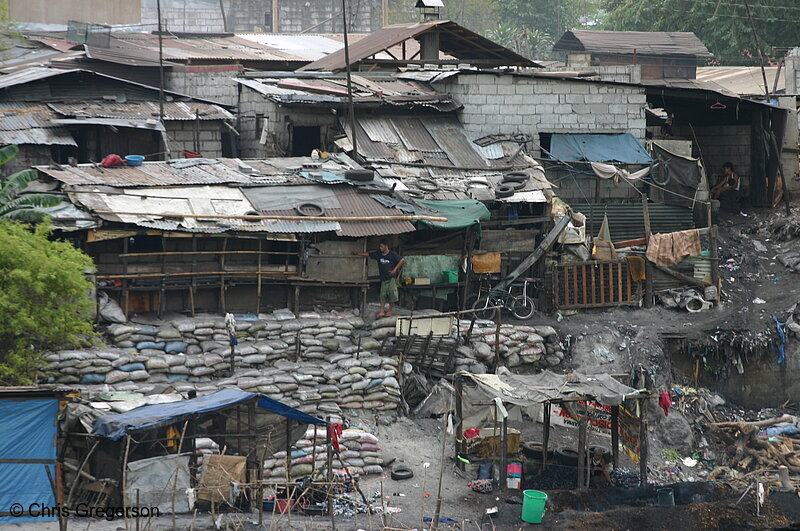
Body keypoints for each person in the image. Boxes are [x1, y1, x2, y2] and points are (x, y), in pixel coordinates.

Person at [354, 239, 404, 318]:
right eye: (380, 246)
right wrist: (357, 253)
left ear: (386, 246)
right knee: (382, 295)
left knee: (392, 295)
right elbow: (368, 254)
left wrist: (395, 270)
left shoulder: (392, 254)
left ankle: (390, 311)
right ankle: (382, 311)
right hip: (383, 279)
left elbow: (401, 260)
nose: (380, 248)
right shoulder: (378, 254)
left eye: (381, 246)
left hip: (391, 278)